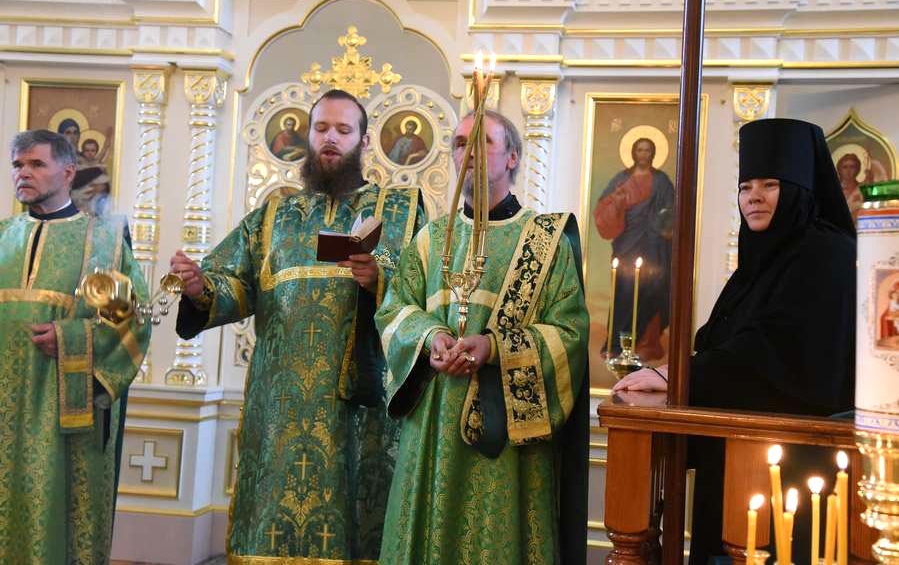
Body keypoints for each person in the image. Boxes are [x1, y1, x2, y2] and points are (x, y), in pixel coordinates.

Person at [170, 89, 425, 562]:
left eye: (343, 130)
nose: (331, 138)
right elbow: (236, 284)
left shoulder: (400, 210)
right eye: (321, 128)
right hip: (280, 409)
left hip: (361, 406)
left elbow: (425, 292)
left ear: (365, 141)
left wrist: (381, 280)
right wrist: (200, 287)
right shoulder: (274, 214)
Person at [614, 118, 856, 564]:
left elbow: (770, 352)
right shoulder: (762, 257)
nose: (753, 197)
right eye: (745, 187)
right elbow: (721, 341)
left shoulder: (828, 253)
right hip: (735, 460)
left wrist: (676, 374)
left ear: (800, 191)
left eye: (770, 185)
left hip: (794, 472)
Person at [375, 110, 590, 564]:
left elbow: (568, 333)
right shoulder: (430, 239)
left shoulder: (545, 241)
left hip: (507, 437)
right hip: (433, 426)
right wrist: (431, 337)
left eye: (483, 142)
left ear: (512, 157)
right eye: (459, 144)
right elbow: (394, 310)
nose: (468, 153)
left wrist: (494, 348)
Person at [0, 129, 150, 563]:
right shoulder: (3, 235)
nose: (23, 173)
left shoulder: (103, 242)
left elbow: (131, 321)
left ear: (67, 172)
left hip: (61, 414)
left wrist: (72, 339)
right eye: (17, 165)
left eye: (36, 164)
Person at [594, 137, 674, 361]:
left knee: (651, 290)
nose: (643, 154)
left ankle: (644, 343)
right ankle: (616, 345)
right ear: (633, 152)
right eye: (640, 149)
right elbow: (604, 208)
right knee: (624, 292)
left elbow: (672, 211)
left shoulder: (661, 181)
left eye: (647, 150)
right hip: (627, 244)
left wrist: (663, 221)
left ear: (653, 153)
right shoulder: (622, 179)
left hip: (654, 246)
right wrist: (618, 202)